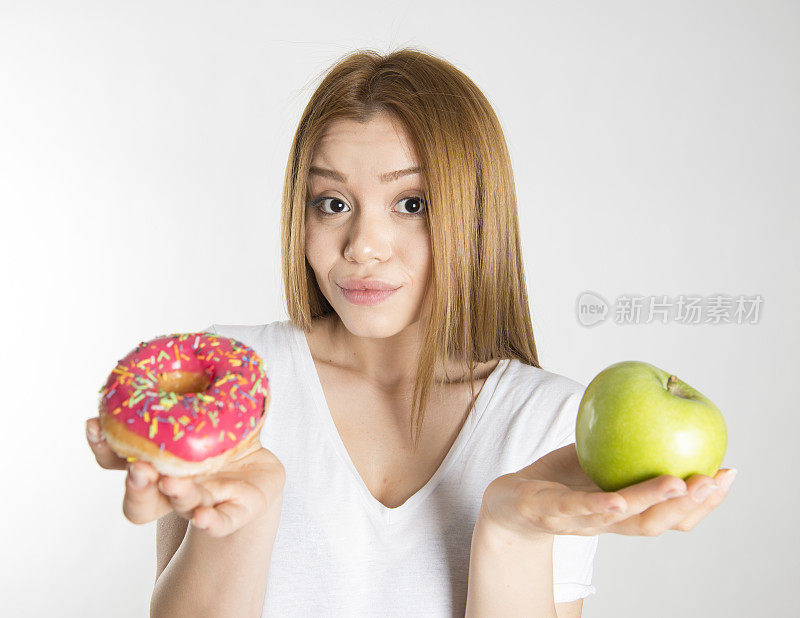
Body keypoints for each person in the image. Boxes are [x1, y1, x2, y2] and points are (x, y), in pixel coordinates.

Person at [86, 48, 736, 617]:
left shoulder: (551, 422)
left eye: (412, 203)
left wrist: (512, 529)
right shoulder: (233, 381)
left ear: (475, 214)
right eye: (332, 203)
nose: (363, 246)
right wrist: (244, 526)